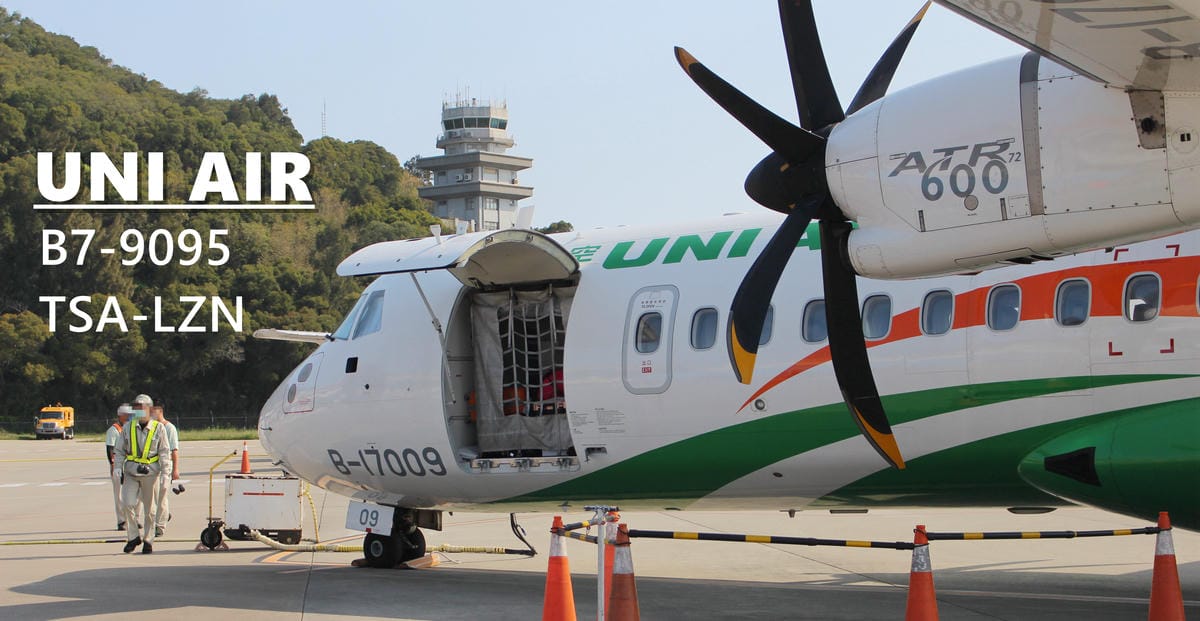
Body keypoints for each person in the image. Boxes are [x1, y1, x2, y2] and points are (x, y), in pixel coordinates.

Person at [115, 394, 171, 554]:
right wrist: (118, 467)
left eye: (141, 407)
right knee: (127, 504)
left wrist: (166, 473)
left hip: (151, 473)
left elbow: (164, 452)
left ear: (149, 409)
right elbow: (119, 449)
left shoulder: (159, 428)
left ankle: (148, 539)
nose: (138, 410)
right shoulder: (128, 427)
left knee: (150, 510)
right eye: (136, 407)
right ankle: (133, 537)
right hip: (131, 472)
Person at [151, 405, 178, 537]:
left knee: (162, 497)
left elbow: (174, 450)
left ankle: (160, 526)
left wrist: (175, 469)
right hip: (152, 467)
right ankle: (164, 515)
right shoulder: (151, 427)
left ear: (160, 411)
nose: (151, 413)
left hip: (165, 467)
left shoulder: (169, 428)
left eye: (153, 410)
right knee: (150, 497)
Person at [106, 404, 132, 531]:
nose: (129, 418)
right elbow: (110, 449)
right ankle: (122, 521)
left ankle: (134, 518)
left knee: (134, 494)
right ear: (120, 416)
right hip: (118, 466)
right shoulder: (114, 430)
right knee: (119, 495)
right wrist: (114, 466)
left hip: (131, 465)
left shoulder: (131, 428)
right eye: (127, 416)